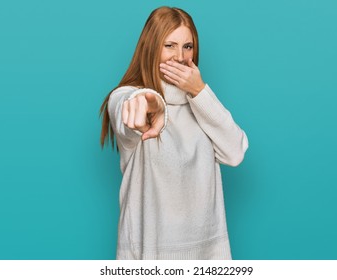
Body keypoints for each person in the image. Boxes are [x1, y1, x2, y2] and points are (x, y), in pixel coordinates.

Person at [99, 6, 248, 260]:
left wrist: (199, 91)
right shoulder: (126, 97)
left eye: (187, 47)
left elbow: (235, 153)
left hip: (209, 257)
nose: (179, 57)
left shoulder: (202, 105)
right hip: (148, 256)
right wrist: (149, 102)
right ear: (151, 47)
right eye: (169, 45)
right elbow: (127, 110)